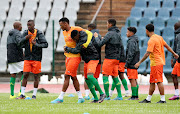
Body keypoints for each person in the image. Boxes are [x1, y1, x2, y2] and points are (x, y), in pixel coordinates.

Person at [51, 17, 93, 104]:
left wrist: (86, 43)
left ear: (66, 24)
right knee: (73, 77)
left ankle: (60, 97)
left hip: (75, 56)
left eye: (61, 25)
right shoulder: (64, 32)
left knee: (67, 75)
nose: (60, 27)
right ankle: (80, 97)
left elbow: (89, 33)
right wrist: (66, 48)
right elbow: (69, 43)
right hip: (68, 56)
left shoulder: (76, 29)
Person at [135, 24, 179, 103]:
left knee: (159, 81)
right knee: (152, 81)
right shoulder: (159, 37)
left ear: (147, 30)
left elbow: (147, 53)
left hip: (156, 63)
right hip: (157, 62)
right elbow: (167, 46)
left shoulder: (151, 40)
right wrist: (174, 53)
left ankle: (162, 99)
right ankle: (148, 99)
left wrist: (139, 62)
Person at [65, 30, 106, 103]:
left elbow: (77, 50)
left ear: (77, 35)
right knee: (87, 79)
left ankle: (102, 93)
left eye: (74, 38)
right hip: (87, 59)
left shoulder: (83, 39)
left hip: (93, 58)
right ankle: (96, 98)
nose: (74, 40)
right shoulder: (81, 37)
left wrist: (68, 49)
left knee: (90, 76)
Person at [17, 20, 48, 99]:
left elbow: (45, 44)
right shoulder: (25, 33)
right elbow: (19, 43)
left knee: (36, 76)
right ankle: (22, 94)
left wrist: (36, 44)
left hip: (36, 58)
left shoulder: (39, 33)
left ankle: (34, 94)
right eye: (27, 25)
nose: (28, 27)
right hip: (27, 57)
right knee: (25, 75)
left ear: (34, 25)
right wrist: (25, 38)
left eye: (30, 25)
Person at [95, 19, 123, 100]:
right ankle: (119, 96)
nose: (106, 25)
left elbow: (99, 44)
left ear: (110, 24)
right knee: (115, 77)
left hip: (109, 58)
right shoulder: (118, 33)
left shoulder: (109, 33)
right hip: (117, 58)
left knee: (105, 76)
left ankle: (107, 96)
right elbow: (120, 45)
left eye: (107, 24)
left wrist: (97, 37)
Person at [109, 28, 130, 98]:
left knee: (117, 75)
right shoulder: (119, 40)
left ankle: (112, 92)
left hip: (120, 60)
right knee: (119, 76)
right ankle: (126, 91)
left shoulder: (117, 41)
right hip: (121, 59)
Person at [83, 23, 102, 100]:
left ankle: (87, 94)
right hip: (98, 59)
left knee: (87, 77)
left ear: (89, 28)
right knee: (95, 77)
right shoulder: (99, 36)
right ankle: (97, 94)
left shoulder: (88, 36)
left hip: (89, 59)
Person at [7, 21, 24, 99]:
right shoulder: (17, 33)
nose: (22, 27)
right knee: (25, 73)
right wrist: (26, 39)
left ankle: (11, 94)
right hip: (18, 56)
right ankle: (21, 92)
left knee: (13, 74)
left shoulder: (9, 34)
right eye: (21, 25)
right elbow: (19, 43)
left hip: (10, 57)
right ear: (18, 26)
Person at [124, 27, 139, 100]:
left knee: (132, 79)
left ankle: (134, 96)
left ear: (131, 33)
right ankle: (136, 95)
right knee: (134, 79)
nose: (126, 33)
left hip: (132, 63)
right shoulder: (134, 40)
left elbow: (131, 53)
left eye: (127, 32)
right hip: (134, 62)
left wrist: (127, 63)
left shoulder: (131, 41)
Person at [169, 22, 180, 100]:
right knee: (173, 74)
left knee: (174, 75)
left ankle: (176, 94)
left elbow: (178, 49)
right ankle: (176, 94)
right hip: (177, 59)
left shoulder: (178, 35)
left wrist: (174, 59)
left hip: (179, 59)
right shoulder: (177, 34)